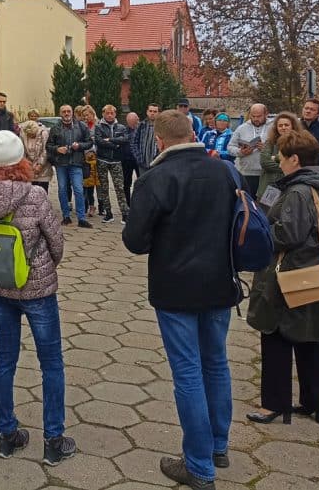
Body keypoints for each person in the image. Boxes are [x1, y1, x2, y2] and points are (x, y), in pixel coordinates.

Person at [122, 110, 240, 490]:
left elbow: (135, 241)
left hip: (176, 289)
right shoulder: (223, 170)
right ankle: (219, 447)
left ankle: (200, 467)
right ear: (193, 132)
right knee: (216, 363)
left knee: (189, 372)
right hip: (220, 281)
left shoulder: (155, 178)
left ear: (158, 141)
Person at [0, 131, 75, 465]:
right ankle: (53, 440)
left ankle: (7, 435)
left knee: (4, 360)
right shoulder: (35, 195)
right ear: (21, 160)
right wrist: (43, 266)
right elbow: (56, 242)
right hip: (38, 290)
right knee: (51, 363)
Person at [246, 130, 319, 426]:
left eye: (282, 156)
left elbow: (288, 233)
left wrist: (259, 232)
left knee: (275, 336)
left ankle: (274, 404)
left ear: (295, 159)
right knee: (308, 338)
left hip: (290, 275)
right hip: (313, 273)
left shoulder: (299, 191)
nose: (279, 161)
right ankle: (315, 402)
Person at [46, 105, 94, 228]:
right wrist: (57, 149)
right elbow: (48, 146)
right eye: (64, 112)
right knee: (62, 189)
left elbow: (89, 142)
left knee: (78, 189)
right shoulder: (55, 128)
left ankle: (81, 218)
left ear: (72, 113)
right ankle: (66, 216)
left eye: (68, 111)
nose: (66, 113)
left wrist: (79, 146)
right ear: (60, 113)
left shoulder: (81, 126)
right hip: (61, 163)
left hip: (76, 162)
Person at [256, 112, 302, 209]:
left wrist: (276, 158)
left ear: (293, 126)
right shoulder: (270, 142)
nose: (283, 127)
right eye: (280, 125)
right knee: (266, 217)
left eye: (286, 125)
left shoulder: (299, 143)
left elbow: (300, 163)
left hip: (290, 187)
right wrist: (287, 165)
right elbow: (265, 162)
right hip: (270, 187)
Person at [94, 105, 130, 223]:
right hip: (102, 160)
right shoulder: (99, 127)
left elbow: (125, 139)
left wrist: (110, 140)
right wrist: (115, 145)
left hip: (116, 161)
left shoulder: (121, 127)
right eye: (107, 113)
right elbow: (99, 141)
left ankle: (125, 213)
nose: (109, 115)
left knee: (119, 187)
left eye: (112, 113)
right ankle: (108, 213)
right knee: (104, 187)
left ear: (115, 114)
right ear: (103, 114)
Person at [228, 103, 272, 197]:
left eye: (259, 116)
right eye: (253, 116)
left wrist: (266, 149)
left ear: (266, 114)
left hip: (267, 174)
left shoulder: (273, 127)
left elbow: (281, 149)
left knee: (265, 206)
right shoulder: (241, 128)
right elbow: (230, 147)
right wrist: (240, 152)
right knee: (247, 204)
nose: (256, 119)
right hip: (246, 173)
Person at [78, 106, 100, 216]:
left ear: (93, 114)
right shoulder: (80, 126)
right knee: (83, 184)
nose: (86, 117)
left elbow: (99, 141)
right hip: (82, 157)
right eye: (84, 115)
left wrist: (93, 150)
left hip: (94, 157)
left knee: (91, 184)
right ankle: (84, 206)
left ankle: (93, 206)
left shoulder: (98, 125)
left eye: (88, 115)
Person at [21, 118, 52, 191]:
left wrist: (40, 165)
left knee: (42, 191)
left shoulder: (43, 133)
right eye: (29, 135)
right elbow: (23, 152)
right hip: (30, 168)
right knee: (31, 192)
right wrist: (26, 165)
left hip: (43, 168)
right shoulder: (23, 135)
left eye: (32, 134)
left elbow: (45, 150)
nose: (31, 136)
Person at [301, 99, 319, 167]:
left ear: (318, 114)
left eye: (312, 110)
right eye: (306, 108)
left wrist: (310, 162)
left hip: (318, 169)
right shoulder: (293, 127)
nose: (308, 111)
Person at [131, 104, 160, 173]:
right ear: (147, 112)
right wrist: (138, 158)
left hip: (157, 163)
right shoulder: (141, 125)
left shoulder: (162, 126)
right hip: (143, 163)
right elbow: (134, 142)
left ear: (158, 113)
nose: (152, 113)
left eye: (155, 111)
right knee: (144, 183)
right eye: (150, 111)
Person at [122, 111, 140, 204]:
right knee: (126, 183)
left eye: (134, 122)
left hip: (139, 160)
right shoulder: (124, 129)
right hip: (126, 160)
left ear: (137, 120)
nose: (132, 125)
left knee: (141, 182)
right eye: (130, 123)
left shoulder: (142, 129)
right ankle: (127, 203)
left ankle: (139, 201)